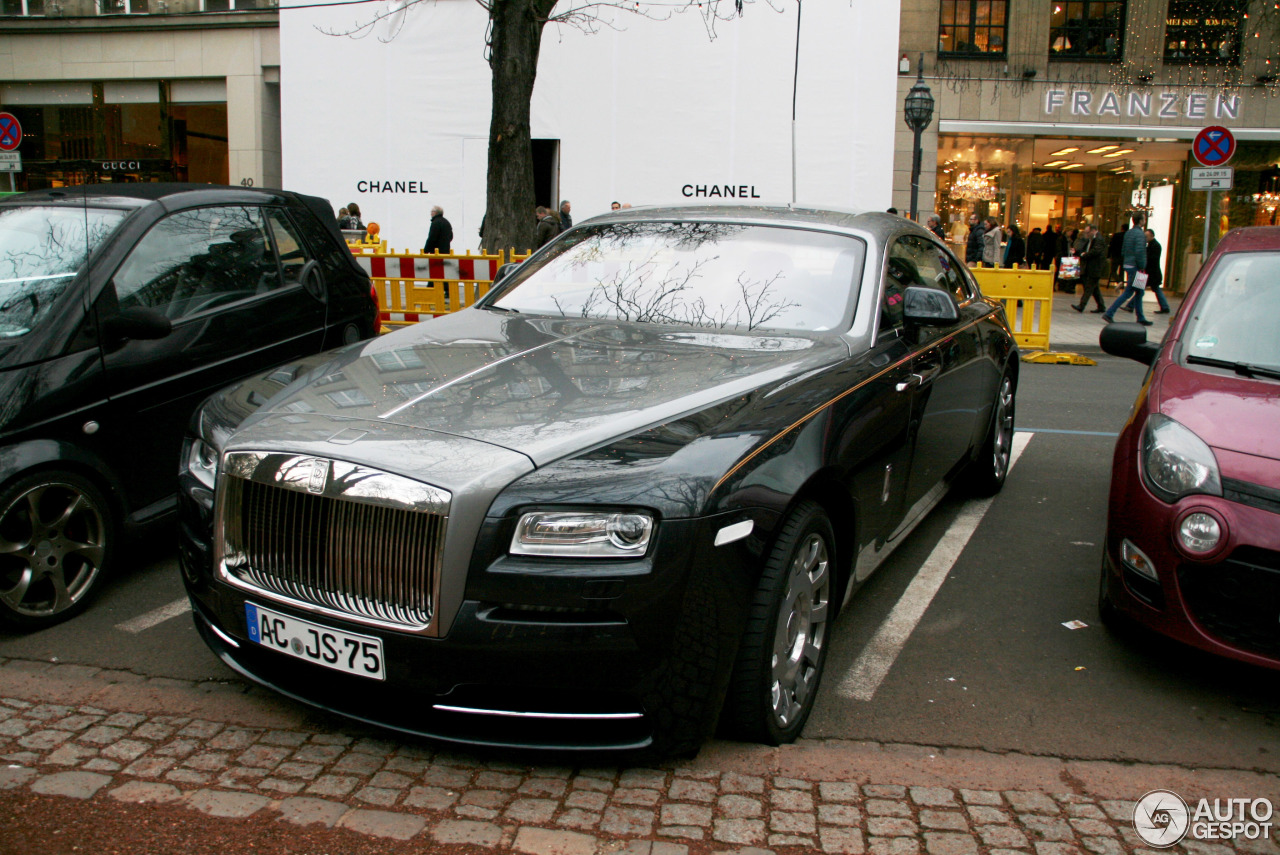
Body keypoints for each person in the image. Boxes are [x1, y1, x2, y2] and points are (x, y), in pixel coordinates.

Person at [1103, 212, 1151, 325]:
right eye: (1143, 219)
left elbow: (1124, 249)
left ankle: (1141, 317)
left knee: (1139, 292)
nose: (1144, 221)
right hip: (1136, 266)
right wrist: (1142, 265)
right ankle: (1109, 313)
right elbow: (1140, 252)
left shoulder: (1128, 233)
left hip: (1129, 264)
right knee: (1129, 292)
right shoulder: (1140, 235)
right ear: (1140, 221)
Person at [1118, 229, 1170, 314]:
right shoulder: (1150, 245)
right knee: (1148, 289)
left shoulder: (1155, 246)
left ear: (1152, 236)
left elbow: (1150, 259)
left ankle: (1131, 306)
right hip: (1149, 273)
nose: (1145, 238)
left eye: (1146, 236)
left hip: (1149, 273)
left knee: (1143, 289)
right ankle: (1164, 307)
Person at [1071, 225, 1108, 313]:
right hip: (1091, 267)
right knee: (1094, 289)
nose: (1086, 234)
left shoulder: (1099, 239)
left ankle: (1081, 305)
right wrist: (1077, 252)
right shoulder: (1090, 240)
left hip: (1095, 267)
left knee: (1089, 287)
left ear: (1093, 231)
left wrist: (1084, 255)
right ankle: (1101, 306)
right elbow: (1085, 250)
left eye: (1088, 232)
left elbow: (1094, 252)